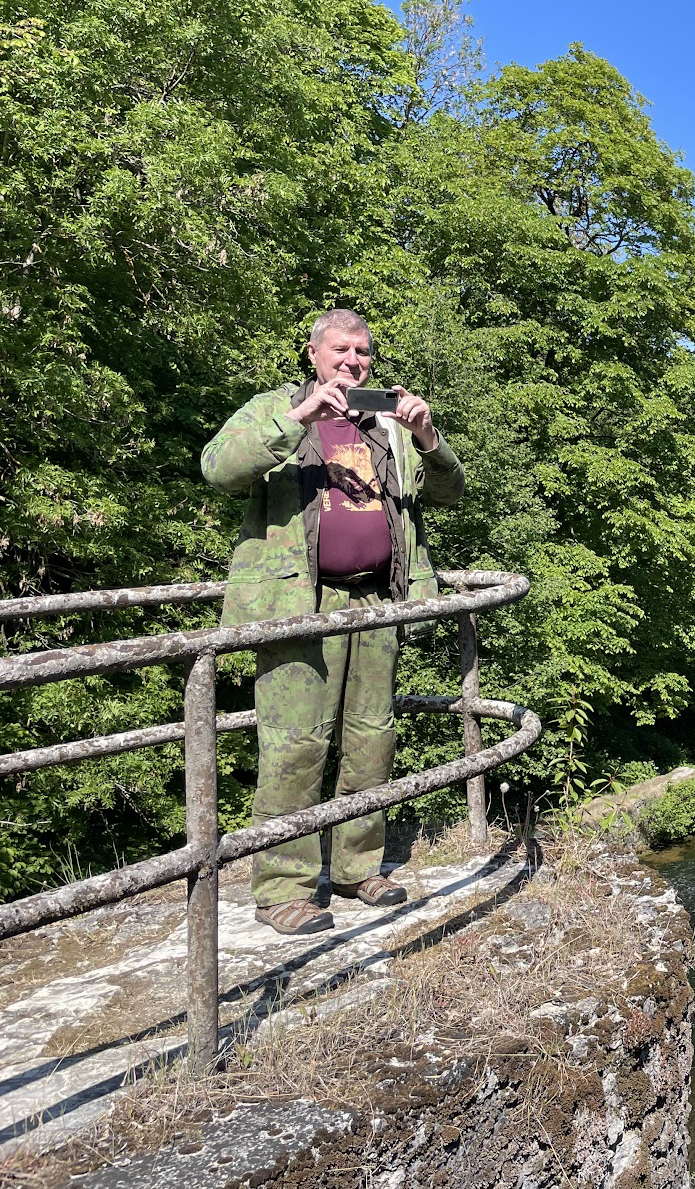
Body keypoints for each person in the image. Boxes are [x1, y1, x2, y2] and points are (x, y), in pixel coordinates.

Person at [202, 309, 465, 935]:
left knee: (371, 738)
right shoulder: (276, 408)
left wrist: (429, 437)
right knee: (294, 745)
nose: (353, 361)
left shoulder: (388, 422)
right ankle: (283, 890)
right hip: (298, 605)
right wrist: (299, 418)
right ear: (314, 354)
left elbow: (449, 492)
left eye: (362, 351)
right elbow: (217, 469)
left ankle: (357, 868)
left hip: (377, 602)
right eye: (341, 350)